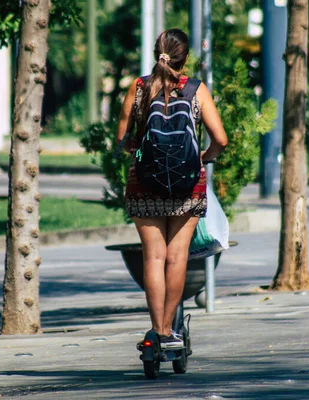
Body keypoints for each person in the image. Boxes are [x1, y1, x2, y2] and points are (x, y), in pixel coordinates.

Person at [116, 29, 228, 349]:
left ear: (156, 53)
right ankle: (168, 331)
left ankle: (155, 331)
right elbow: (220, 139)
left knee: (153, 257)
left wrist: (140, 151)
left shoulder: (138, 88)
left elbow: (123, 141)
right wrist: (203, 157)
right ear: (186, 57)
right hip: (188, 185)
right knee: (177, 257)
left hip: (144, 183)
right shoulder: (196, 89)